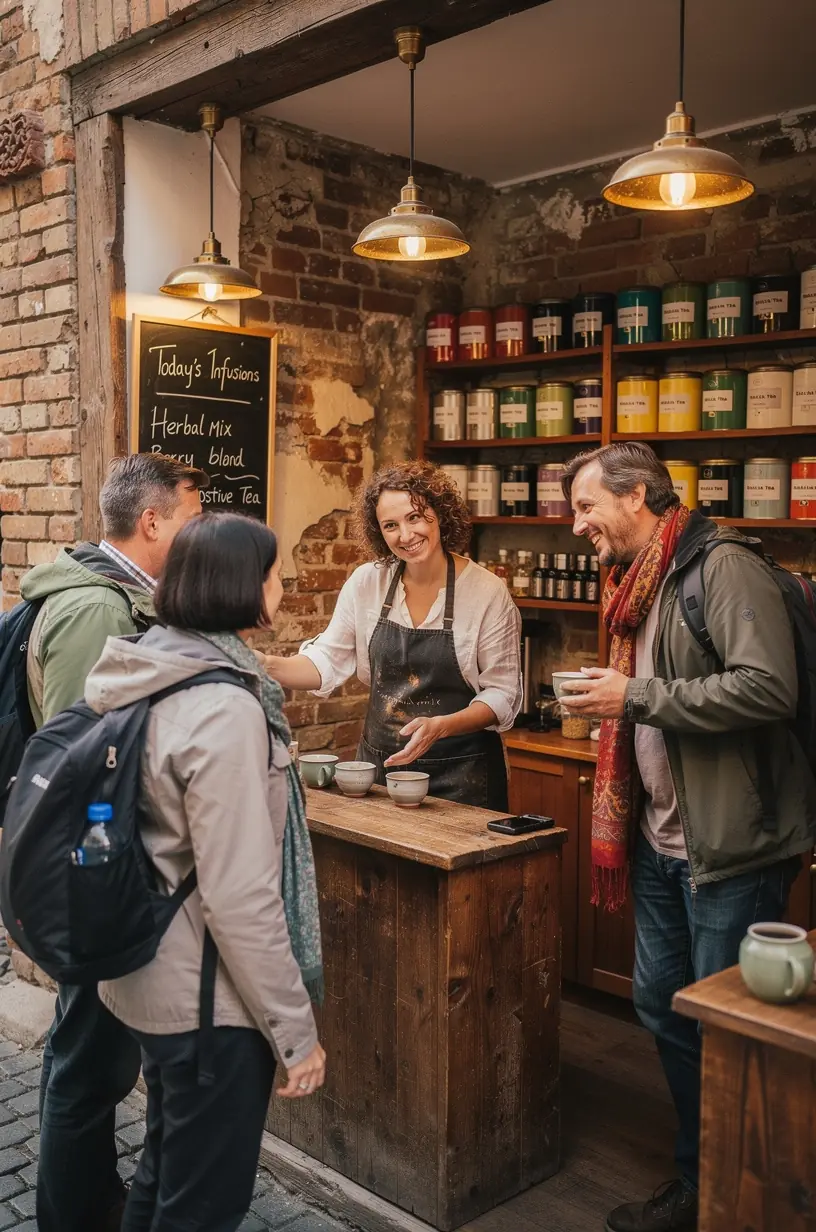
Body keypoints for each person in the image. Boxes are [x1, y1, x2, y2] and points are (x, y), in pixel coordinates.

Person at [558, 442, 816, 1232]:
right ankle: (707, 1175)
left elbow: (768, 687)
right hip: (662, 839)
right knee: (663, 1006)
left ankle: (743, 1197)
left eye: (586, 506)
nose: (577, 525)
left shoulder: (721, 565)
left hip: (733, 846)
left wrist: (633, 695)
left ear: (636, 497)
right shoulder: (638, 581)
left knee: (727, 1028)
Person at [86, 511, 326, 1232]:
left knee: (164, 1171)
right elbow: (240, 897)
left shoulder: (145, 665)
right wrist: (296, 1033)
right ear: (242, 586)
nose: (284, 586)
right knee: (202, 1205)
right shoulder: (223, 706)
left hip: (146, 973)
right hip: (204, 1002)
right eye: (275, 574)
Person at [20, 452, 208, 1232]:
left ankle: (91, 1196)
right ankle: (77, 1214)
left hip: (103, 866)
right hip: (94, 872)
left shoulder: (120, 596)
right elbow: (85, 761)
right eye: (193, 519)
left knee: (93, 1055)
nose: (200, 535)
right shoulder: (96, 608)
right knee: (88, 1060)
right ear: (153, 521)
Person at [262, 461, 522, 809]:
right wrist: (265, 664)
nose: (405, 535)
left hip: (463, 777)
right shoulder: (367, 582)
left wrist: (443, 726)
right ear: (378, 532)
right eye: (391, 525)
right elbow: (326, 660)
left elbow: (503, 694)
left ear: (439, 514)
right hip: (381, 772)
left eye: (415, 517)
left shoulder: (486, 592)